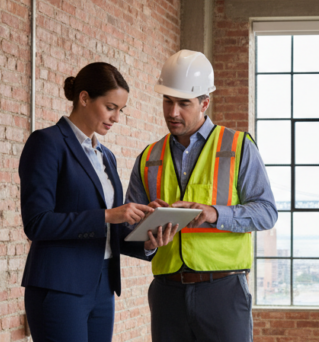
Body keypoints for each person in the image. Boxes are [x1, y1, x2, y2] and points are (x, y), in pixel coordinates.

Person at [124, 50, 278, 342]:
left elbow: (266, 212)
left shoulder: (237, 147)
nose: (172, 112)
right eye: (167, 101)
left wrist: (215, 213)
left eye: (183, 103)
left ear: (204, 102)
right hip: (167, 292)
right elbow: (129, 230)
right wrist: (147, 238)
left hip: (223, 291)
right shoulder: (148, 157)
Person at [19, 62, 155, 342]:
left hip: (103, 286)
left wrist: (147, 240)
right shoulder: (47, 143)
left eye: (121, 110)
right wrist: (107, 215)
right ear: (84, 98)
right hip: (60, 286)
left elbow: (111, 231)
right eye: (110, 107)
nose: (116, 117)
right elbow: (37, 223)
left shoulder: (106, 156)